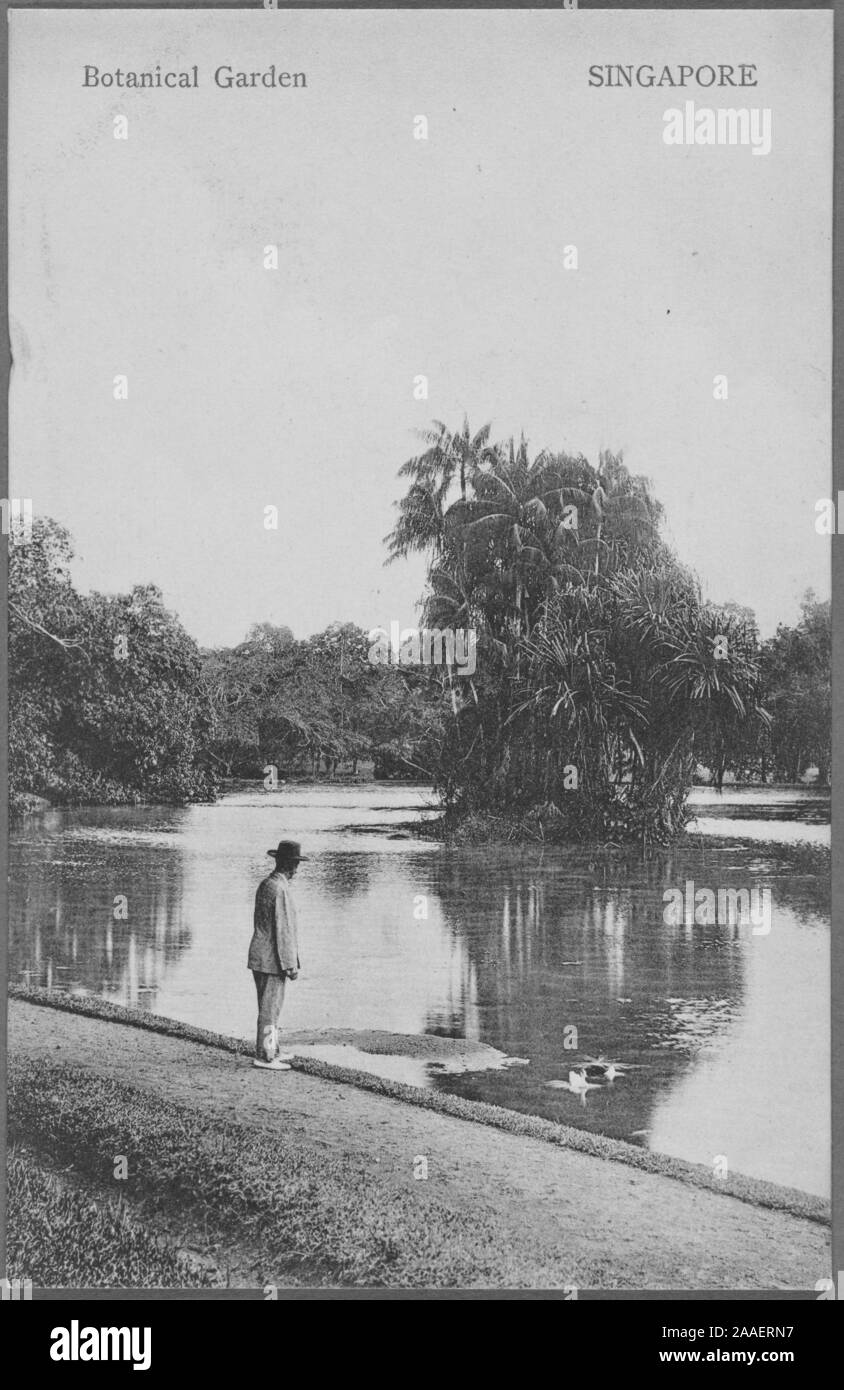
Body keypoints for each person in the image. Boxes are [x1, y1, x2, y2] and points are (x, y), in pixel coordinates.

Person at [248, 839, 307, 1070]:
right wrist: (290, 965)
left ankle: (273, 1050)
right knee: (270, 1009)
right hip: (272, 958)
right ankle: (265, 1056)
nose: (296, 870)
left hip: (261, 955)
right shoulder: (280, 889)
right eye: (295, 864)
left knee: (269, 1007)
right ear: (289, 865)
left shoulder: (266, 884)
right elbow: (283, 930)